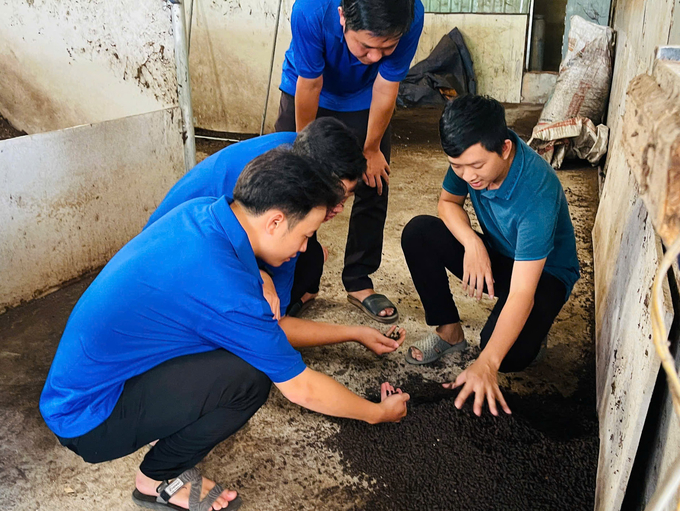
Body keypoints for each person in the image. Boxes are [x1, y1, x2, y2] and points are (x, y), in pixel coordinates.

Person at [40, 150, 410, 511]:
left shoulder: (200, 212)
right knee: (249, 378)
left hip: (84, 385)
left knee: (232, 348)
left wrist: (262, 274)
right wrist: (375, 413)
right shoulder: (227, 290)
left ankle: (157, 423)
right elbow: (301, 388)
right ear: (276, 221)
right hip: (86, 419)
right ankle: (156, 482)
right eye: (306, 234)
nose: (304, 248)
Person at [147, 119, 405, 356]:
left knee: (309, 259)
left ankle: (296, 287)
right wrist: (259, 276)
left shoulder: (300, 155)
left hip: (212, 245)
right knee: (253, 339)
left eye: (347, 196)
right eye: (336, 196)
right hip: (173, 266)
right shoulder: (269, 189)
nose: (339, 208)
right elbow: (274, 328)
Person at [400, 95, 580, 417]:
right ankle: (449, 332)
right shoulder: (469, 156)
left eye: (477, 166)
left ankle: (535, 333)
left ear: (506, 148)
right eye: (458, 166)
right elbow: (448, 203)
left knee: (504, 356)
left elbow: (523, 291)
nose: (468, 176)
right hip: (501, 253)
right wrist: (472, 243)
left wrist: (487, 363)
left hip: (544, 274)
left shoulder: (538, 193)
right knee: (419, 233)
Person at [275, 0, 424, 324]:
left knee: (374, 181)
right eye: (367, 46)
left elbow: (386, 84)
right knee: (292, 186)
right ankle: (301, 282)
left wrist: (371, 150)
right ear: (343, 17)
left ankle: (358, 281)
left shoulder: (409, 12)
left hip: (367, 98)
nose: (375, 57)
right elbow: (310, 83)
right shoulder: (311, 10)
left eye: (387, 47)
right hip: (307, 89)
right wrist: (305, 151)